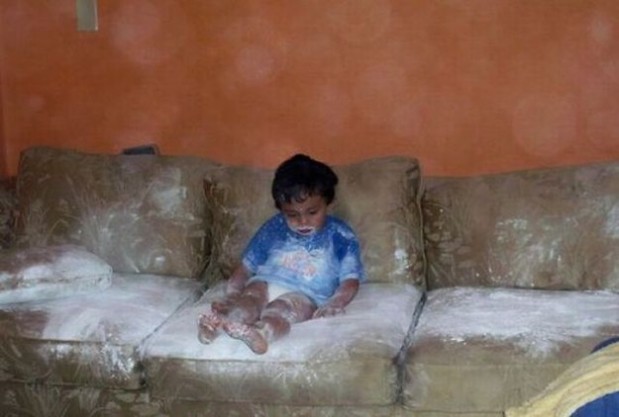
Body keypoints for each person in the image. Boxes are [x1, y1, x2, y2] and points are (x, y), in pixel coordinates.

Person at [198, 153, 365, 354]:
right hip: (265, 283)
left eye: (312, 212)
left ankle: (262, 333)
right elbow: (246, 267)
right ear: (281, 209)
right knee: (249, 299)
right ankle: (219, 326)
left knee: (280, 310)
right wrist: (233, 295)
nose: (303, 221)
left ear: (328, 203)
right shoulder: (274, 227)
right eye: (292, 214)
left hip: (306, 295)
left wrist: (335, 303)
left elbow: (350, 281)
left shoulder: (341, 235)